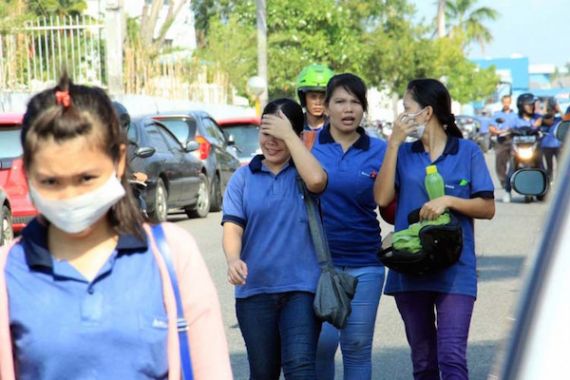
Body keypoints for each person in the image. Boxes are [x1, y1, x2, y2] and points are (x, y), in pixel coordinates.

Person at [0, 73, 232, 380]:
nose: (70, 197)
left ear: (119, 161)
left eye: (86, 178)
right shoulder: (8, 271)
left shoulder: (173, 254)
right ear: (27, 172)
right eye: (51, 182)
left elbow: (211, 368)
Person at [374, 78, 495, 380]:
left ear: (427, 113)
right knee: (424, 363)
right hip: (409, 268)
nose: (402, 117)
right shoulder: (403, 153)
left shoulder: (467, 152)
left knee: (452, 359)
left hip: (456, 271)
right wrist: (393, 143)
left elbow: (487, 207)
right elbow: (382, 198)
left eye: (407, 109)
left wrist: (449, 201)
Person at [222, 98, 327, 379]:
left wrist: (290, 137)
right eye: (266, 132)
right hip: (255, 292)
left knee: (301, 368)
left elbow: (318, 181)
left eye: (279, 134)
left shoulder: (305, 173)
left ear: (297, 135)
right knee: (263, 372)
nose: (271, 141)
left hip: (302, 290)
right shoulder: (243, 178)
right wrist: (233, 259)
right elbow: (233, 227)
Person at [311, 73, 388, 380]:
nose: (348, 109)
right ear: (326, 107)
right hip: (318, 264)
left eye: (355, 102)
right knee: (321, 344)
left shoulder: (380, 150)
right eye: (340, 101)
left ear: (364, 108)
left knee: (356, 345)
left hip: (365, 261)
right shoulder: (307, 145)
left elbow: (397, 195)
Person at [490, 94, 518, 203]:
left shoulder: (515, 115)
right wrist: (497, 131)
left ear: (510, 102)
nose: (506, 104)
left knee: (514, 162)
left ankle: (512, 181)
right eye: (504, 102)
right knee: (500, 163)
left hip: (512, 139)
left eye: (508, 102)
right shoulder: (497, 114)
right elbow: (491, 127)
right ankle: (503, 182)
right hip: (501, 140)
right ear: (502, 103)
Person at [296, 64, 334, 132]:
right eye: (313, 97)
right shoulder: (294, 127)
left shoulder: (337, 127)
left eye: (322, 97)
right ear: (304, 99)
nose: (318, 103)